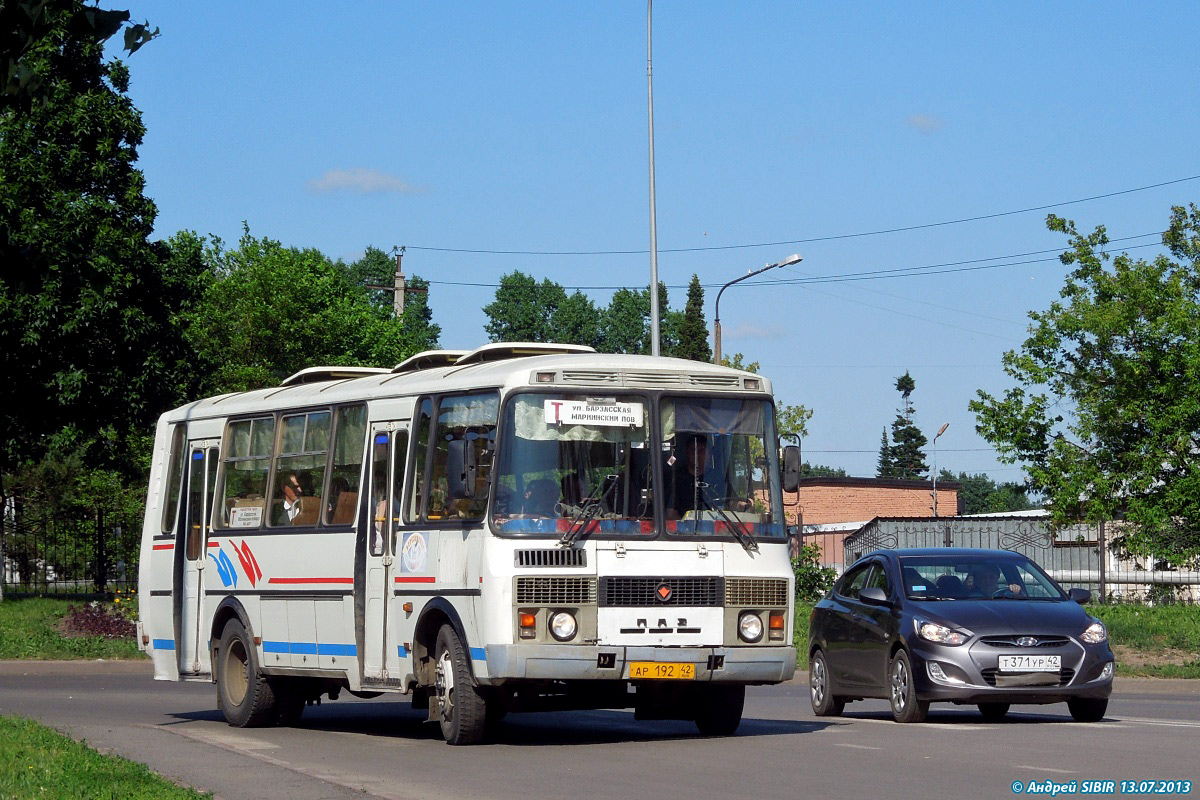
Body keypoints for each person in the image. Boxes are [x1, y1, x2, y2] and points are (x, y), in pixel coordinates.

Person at [666, 434, 709, 520]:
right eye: (693, 450)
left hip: (717, 531)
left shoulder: (716, 477)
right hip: (683, 531)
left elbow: (732, 502)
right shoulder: (675, 479)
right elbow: (670, 513)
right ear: (687, 452)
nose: (697, 454)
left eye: (701, 450)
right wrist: (685, 527)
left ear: (709, 453)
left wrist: (740, 505)